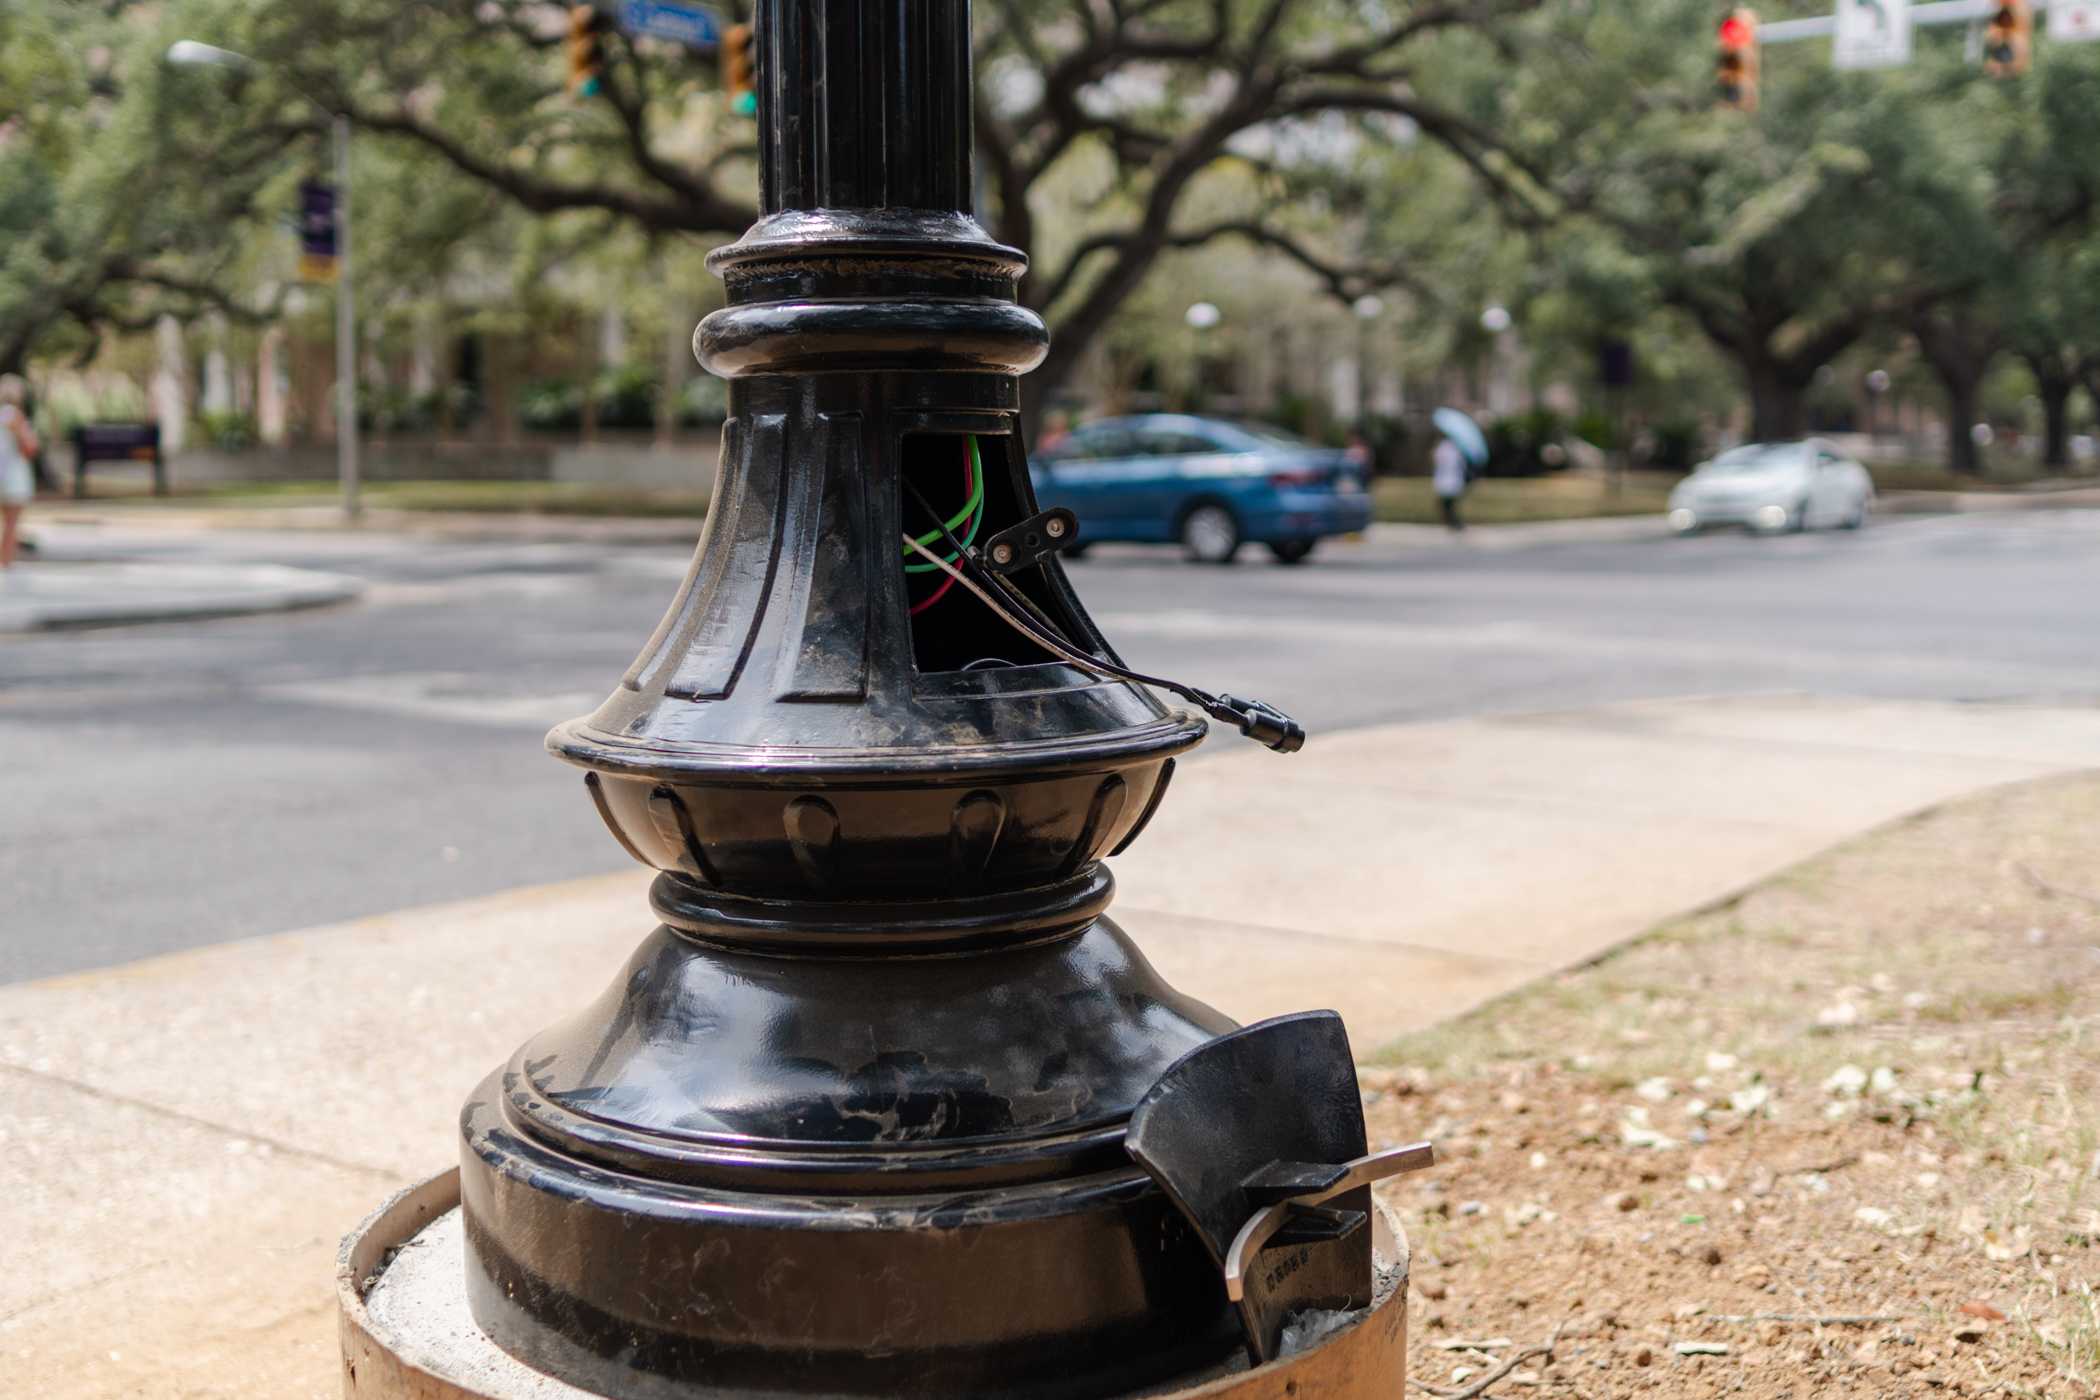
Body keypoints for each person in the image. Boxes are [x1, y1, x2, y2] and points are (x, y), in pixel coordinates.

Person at [0, 375, 37, 569]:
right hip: (13, 476)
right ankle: (5, 562)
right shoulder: (14, 416)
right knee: (11, 524)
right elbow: (29, 446)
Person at [1431, 428, 1468, 531]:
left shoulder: (1444, 447)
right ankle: (1453, 522)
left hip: (1448, 479)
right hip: (1451, 479)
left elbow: (1437, 461)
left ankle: (1453, 522)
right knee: (1449, 503)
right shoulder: (1457, 448)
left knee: (1448, 503)